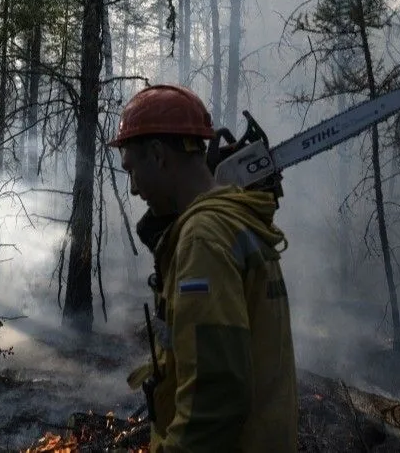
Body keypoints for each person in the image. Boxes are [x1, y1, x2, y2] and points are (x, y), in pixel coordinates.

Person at [111, 84, 298, 452]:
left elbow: (216, 398)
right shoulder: (235, 219)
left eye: (132, 171)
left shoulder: (204, 238)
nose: (133, 190)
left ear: (158, 155)